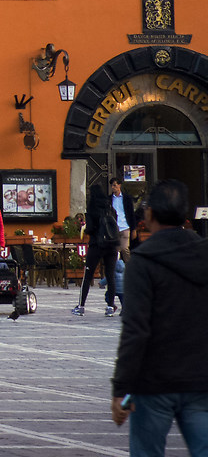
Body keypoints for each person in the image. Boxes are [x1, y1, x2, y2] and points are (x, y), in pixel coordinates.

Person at [110, 177, 208, 455]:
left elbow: (135, 330)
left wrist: (122, 388)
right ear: (185, 215)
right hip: (201, 379)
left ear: (149, 213)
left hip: (153, 383)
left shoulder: (142, 262)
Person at [80, 164, 130, 317]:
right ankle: (110, 307)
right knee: (110, 275)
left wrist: (87, 229)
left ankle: (81, 306)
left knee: (88, 276)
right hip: (112, 246)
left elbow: (89, 229)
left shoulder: (92, 209)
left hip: (96, 245)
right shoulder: (110, 208)